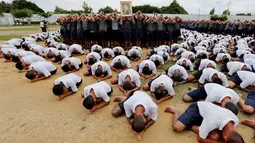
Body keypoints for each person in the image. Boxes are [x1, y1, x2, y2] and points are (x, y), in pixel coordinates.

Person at [164, 102, 244, 143]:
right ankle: (176, 112)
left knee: (215, 137)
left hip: (209, 115)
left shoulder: (235, 120)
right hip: (197, 109)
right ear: (225, 137)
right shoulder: (213, 121)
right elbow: (200, 138)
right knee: (177, 127)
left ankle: (190, 124)